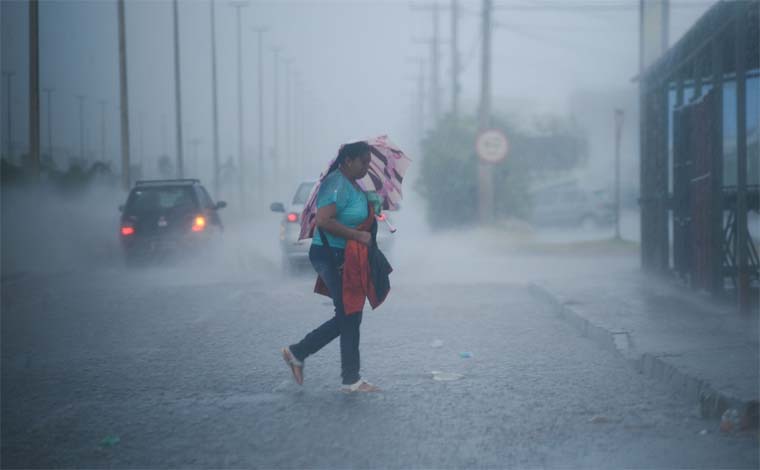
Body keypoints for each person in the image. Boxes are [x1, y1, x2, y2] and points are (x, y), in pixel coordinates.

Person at [281, 141, 381, 393]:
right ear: (348, 160)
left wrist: (372, 205)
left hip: (346, 256)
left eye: (369, 163)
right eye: (363, 162)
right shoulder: (334, 184)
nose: (367, 168)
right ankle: (349, 379)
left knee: (350, 314)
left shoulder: (352, 185)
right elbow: (324, 221)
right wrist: (357, 236)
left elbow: (355, 216)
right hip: (330, 255)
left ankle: (300, 353)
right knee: (349, 313)